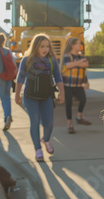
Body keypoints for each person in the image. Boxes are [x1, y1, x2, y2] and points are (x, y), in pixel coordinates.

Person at [15, 34, 65, 162]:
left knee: (49, 123)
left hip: (46, 95)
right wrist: (17, 95)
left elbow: (58, 77)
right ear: (36, 46)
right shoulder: (27, 60)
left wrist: (62, 92)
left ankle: (46, 140)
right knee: (35, 122)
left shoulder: (51, 60)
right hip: (30, 97)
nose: (45, 49)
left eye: (47, 46)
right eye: (42, 46)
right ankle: (38, 149)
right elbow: (20, 79)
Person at [61, 37, 91, 134]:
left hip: (78, 84)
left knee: (83, 99)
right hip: (68, 84)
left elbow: (86, 65)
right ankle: (70, 123)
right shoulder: (67, 56)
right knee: (68, 104)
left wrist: (86, 81)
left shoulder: (81, 56)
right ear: (72, 45)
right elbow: (67, 66)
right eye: (78, 44)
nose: (80, 46)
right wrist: (78, 63)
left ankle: (79, 117)